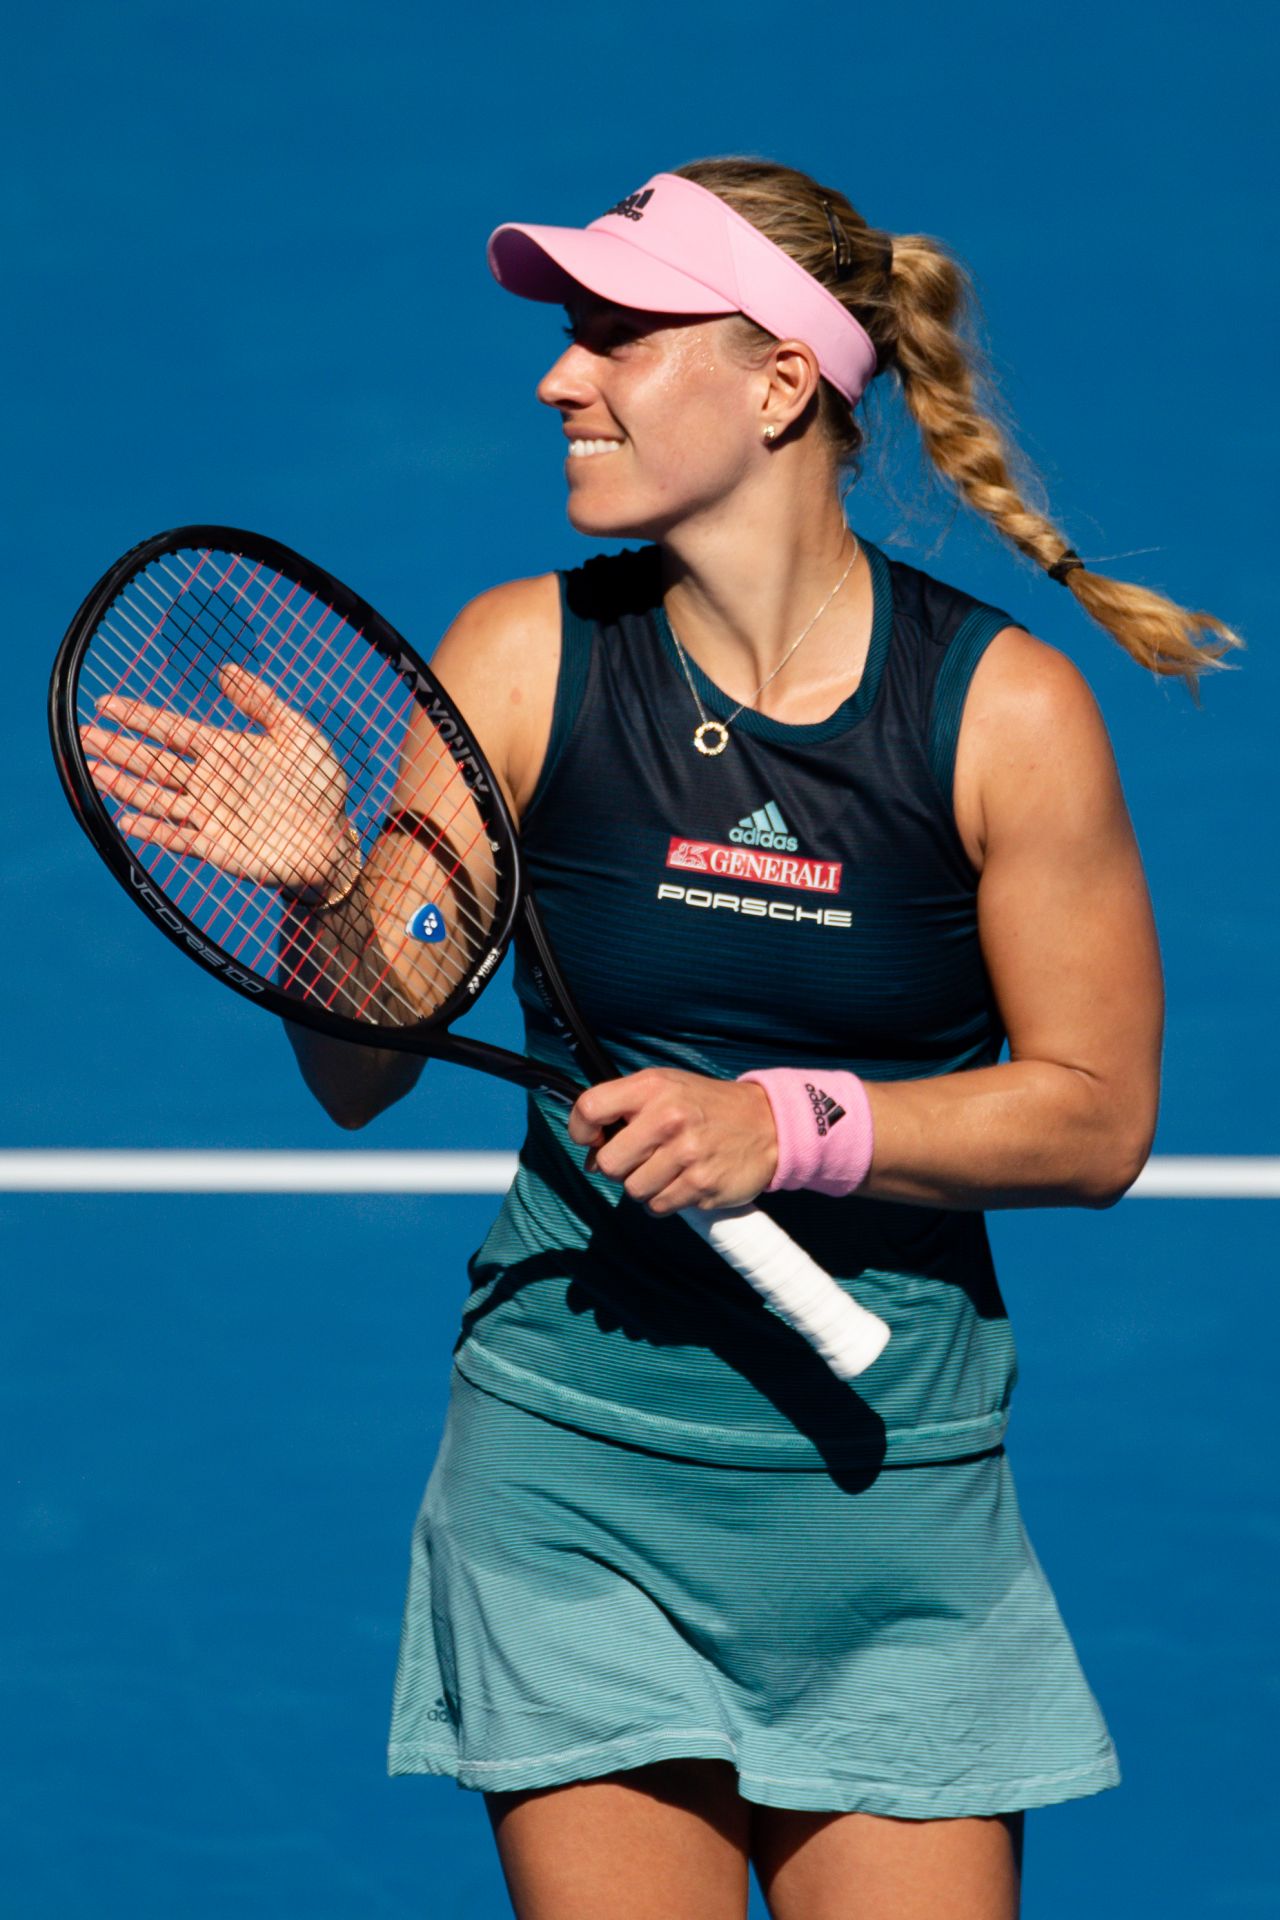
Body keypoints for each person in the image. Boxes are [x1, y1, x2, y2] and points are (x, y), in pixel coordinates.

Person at [281, 159, 1240, 1919]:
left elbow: (1098, 1121)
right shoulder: (517, 664)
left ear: (783, 378)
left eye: (619, 337)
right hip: (572, 1485)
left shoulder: (1003, 715)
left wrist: (788, 1128)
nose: (561, 378)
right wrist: (307, 896)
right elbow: (362, 1060)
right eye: (572, 340)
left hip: (891, 1507)